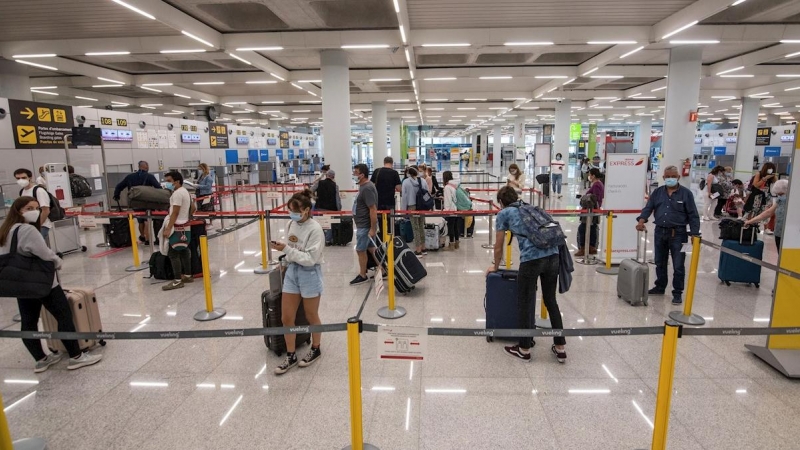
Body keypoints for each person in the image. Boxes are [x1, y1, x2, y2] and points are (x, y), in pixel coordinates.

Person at [0, 196, 103, 372]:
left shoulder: (6, 229)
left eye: (36, 207)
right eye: (29, 208)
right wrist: (58, 261)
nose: (35, 211)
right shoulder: (28, 230)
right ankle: (76, 356)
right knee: (63, 315)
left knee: (28, 322)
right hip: (43, 282)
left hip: (21, 283)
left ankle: (41, 359)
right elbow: (45, 254)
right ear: (18, 211)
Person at [489, 186, 566, 363]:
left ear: (501, 202)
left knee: (525, 301)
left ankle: (524, 349)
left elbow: (498, 246)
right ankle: (560, 347)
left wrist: (495, 266)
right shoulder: (529, 207)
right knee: (550, 300)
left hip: (532, 260)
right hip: (553, 255)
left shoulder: (504, 213)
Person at [271, 190, 325, 375]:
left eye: (295, 211)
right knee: (287, 317)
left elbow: (310, 258)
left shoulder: (315, 229)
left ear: (307, 210)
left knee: (311, 315)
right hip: (292, 272)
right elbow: (292, 249)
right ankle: (291, 354)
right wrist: (284, 260)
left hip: (310, 273)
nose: (292, 214)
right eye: (290, 211)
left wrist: (286, 248)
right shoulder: (290, 224)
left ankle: (316, 348)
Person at [636, 165, 701, 305]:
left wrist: (694, 233)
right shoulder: (658, 192)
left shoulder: (686, 194)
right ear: (664, 178)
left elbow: (693, 215)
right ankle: (660, 286)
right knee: (660, 262)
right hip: (660, 231)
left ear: (678, 177)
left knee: (678, 265)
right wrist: (641, 220)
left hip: (679, 233)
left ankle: (677, 293)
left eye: (673, 176)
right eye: (668, 177)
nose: (670, 179)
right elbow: (649, 208)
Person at [161, 171, 196, 291]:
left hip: (176, 226)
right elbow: (193, 207)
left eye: (169, 181)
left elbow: (174, 212)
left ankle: (177, 280)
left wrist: (168, 228)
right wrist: (187, 217)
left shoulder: (177, 194)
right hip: (185, 225)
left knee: (173, 253)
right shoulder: (185, 191)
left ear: (177, 181)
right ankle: (187, 275)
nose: (167, 183)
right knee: (184, 250)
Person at [113, 161, 162, 245]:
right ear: (146, 167)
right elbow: (158, 187)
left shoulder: (130, 177)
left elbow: (119, 186)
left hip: (135, 202)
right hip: (147, 201)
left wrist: (116, 195)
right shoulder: (149, 176)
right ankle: (148, 239)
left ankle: (142, 236)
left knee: (140, 220)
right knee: (147, 219)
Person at [350, 164, 378, 286]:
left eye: (356, 172)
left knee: (360, 250)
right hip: (363, 225)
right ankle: (383, 268)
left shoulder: (367, 188)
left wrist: (372, 228)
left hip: (365, 226)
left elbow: (373, 209)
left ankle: (362, 274)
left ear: (362, 175)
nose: (354, 175)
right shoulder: (363, 187)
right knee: (372, 249)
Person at [745, 179, 788, 251]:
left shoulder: (786, 200)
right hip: (780, 233)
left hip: (786, 234)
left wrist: (750, 221)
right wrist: (750, 221)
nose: (779, 196)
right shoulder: (780, 200)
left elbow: (767, 213)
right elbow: (767, 213)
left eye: (780, 194)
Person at [14, 168, 53, 241]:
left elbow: (46, 210)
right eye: (18, 178)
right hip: (29, 225)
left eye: (23, 177)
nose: (21, 180)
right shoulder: (22, 191)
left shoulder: (38, 191)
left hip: (41, 225)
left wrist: (38, 226)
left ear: (30, 177)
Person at [575, 168, 604, 257]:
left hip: (591, 210)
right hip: (593, 210)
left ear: (593, 175)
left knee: (583, 228)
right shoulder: (598, 184)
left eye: (590, 174)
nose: (589, 176)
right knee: (592, 228)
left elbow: (594, 199)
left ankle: (583, 248)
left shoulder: (596, 185)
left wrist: (585, 198)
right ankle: (591, 247)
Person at [370, 157, 402, 238]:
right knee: (390, 223)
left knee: (380, 222)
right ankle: (390, 241)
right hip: (390, 203)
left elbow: (371, 185)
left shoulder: (377, 171)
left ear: (384, 162)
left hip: (378, 202)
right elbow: (399, 188)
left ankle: (381, 241)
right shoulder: (394, 173)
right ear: (392, 163)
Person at [401, 166, 429, 257]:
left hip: (411, 206)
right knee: (421, 226)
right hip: (422, 206)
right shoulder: (423, 181)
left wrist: (403, 210)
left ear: (408, 173)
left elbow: (404, 197)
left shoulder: (406, 182)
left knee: (415, 228)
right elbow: (427, 193)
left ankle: (418, 250)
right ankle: (424, 248)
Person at [314, 169, 341, 246]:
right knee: (329, 224)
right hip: (331, 208)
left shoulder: (319, 183)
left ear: (326, 175)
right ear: (333, 177)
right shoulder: (335, 186)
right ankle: (328, 240)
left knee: (320, 223)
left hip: (320, 207)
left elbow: (310, 190)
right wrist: (339, 209)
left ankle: (320, 239)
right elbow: (337, 198)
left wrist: (315, 197)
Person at [441, 171, 461, 251]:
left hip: (451, 210)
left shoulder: (447, 187)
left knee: (451, 227)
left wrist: (445, 210)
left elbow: (448, 201)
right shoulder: (454, 185)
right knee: (455, 226)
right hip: (456, 208)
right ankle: (457, 243)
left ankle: (451, 245)